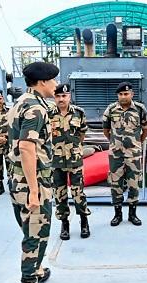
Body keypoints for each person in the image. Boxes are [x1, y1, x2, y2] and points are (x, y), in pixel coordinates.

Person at [7, 61, 60, 283]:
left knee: (30, 229)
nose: (56, 85)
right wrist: (35, 191)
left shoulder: (20, 102)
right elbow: (27, 147)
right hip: (32, 181)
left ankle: (37, 270)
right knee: (35, 237)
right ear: (42, 82)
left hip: (17, 179)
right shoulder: (35, 109)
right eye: (53, 80)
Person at [103, 82, 147, 226]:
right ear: (117, 95)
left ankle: (132, 214)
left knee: (133, 184)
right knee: (115, 184)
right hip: (116, 154)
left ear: (132, 94)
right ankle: (117, 214)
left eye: (126, 94)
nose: (123, 97)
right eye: (121, 94)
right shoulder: (111, 109)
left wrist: (136, 143)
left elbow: (145, 129)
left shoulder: (140, 109)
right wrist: (114, 143)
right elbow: (106, 130)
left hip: (133, 154)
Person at [51, 83, 91, 240]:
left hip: (74, 160)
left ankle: (84, 221)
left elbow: (82, 134)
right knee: (59, 194)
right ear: (55, 97)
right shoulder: (48, 114)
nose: (61, 99)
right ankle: (64, 224)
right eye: (58, 96)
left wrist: (75, 149)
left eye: (64, 96)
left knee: (78, 193)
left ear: (69, 97)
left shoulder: (79, 113)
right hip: (56, 161)